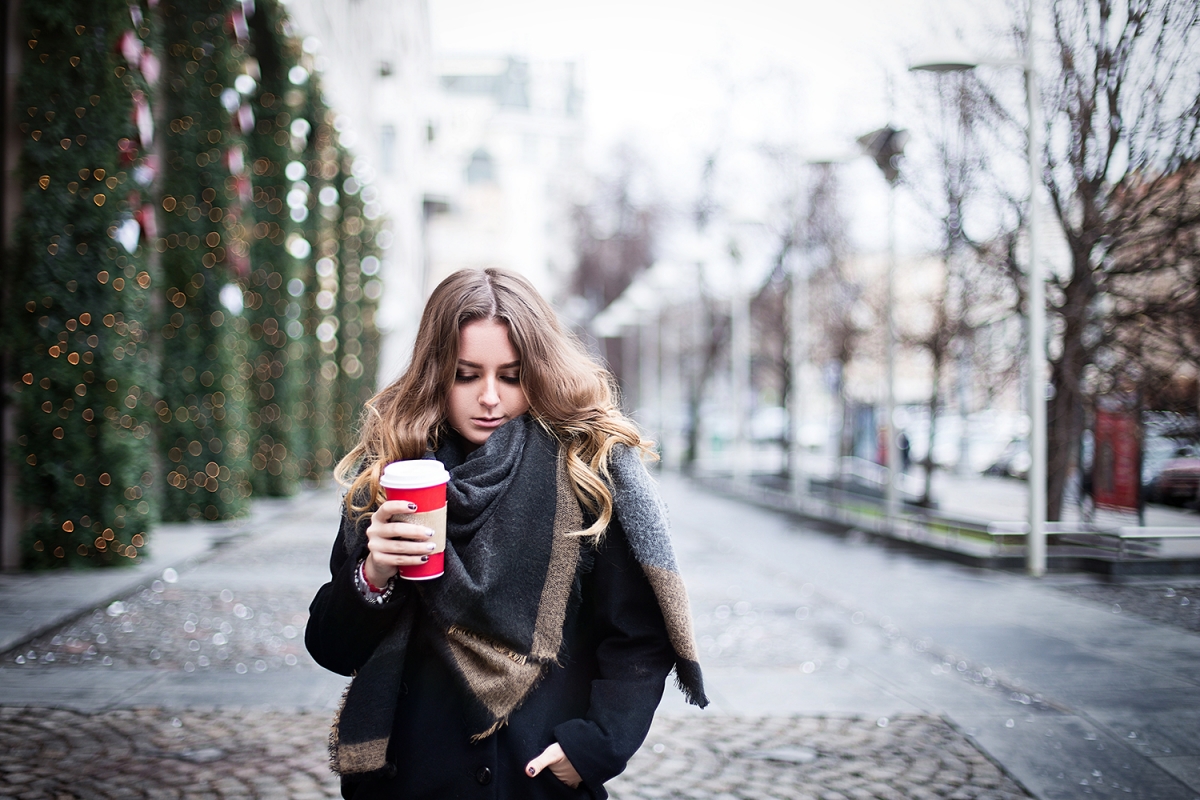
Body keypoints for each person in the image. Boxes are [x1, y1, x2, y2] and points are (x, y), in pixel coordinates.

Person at [306, 268, 707, 800]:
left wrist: (593, 748)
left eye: (512, 377)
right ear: (435, 373)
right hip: (404, 780)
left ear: (539, 372)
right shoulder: (387, 474)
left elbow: (637, 636)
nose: (490, 398)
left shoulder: (585, 472)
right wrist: (373, 574)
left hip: (529, 777)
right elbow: (332, 649)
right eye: (466, 375)